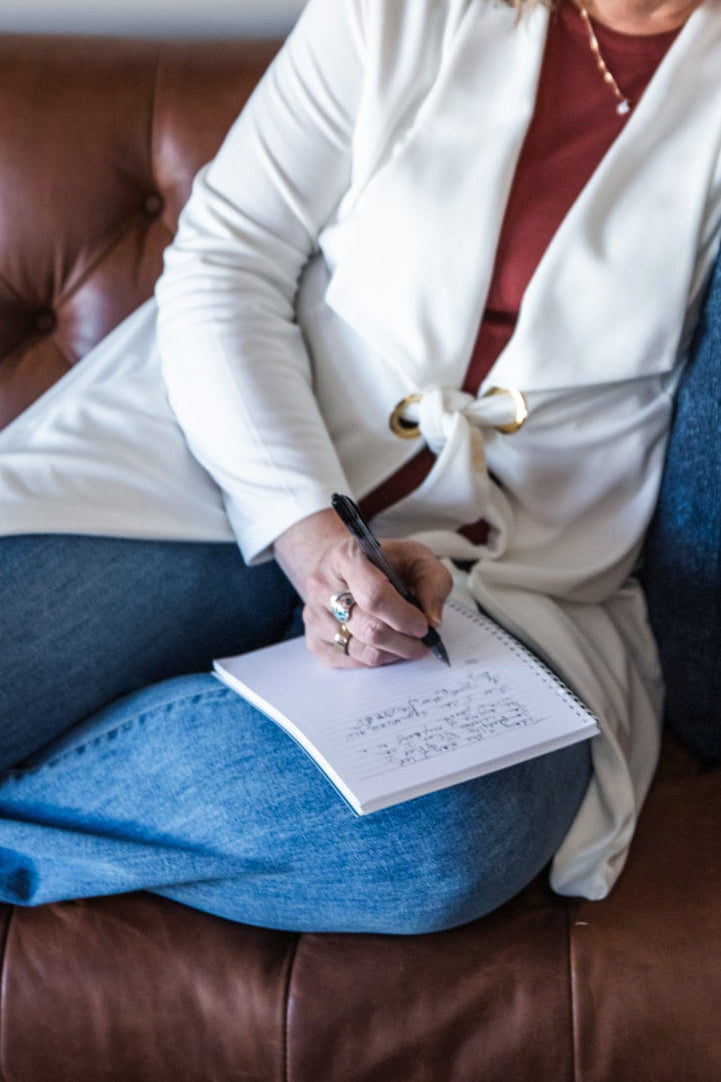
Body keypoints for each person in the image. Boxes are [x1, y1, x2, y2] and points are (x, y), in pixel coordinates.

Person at [0, 0, 719, 932]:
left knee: (444, 837)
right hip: (223, 469)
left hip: (509, 580)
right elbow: (226, 260)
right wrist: (309, 538)